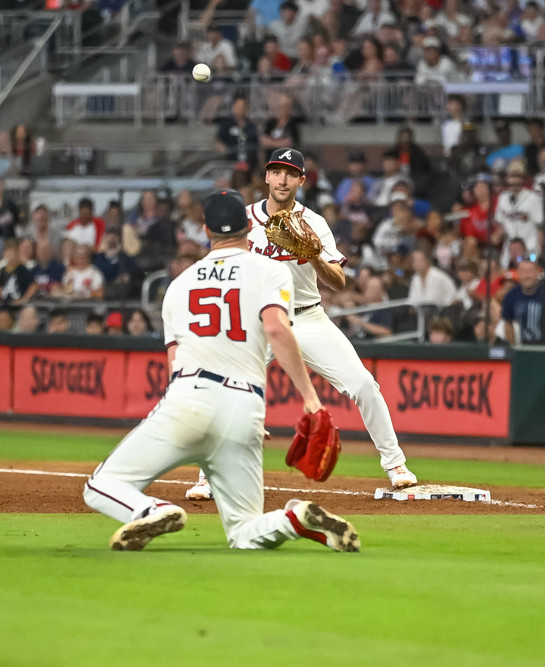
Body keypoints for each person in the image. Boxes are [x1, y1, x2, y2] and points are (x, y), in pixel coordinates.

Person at [83, 190, 360, 552]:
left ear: (205, 230)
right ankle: (291, 519)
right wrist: (310, 400)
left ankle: (152, 508)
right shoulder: (271, 269)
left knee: (100, 486)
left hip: (189, 399)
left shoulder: (179, 285)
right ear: (249, 227)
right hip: (245, 407)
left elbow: (174, 361)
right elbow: (277, 329)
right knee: (245, 531)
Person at [185, 149, 417, 501]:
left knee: (364, 385)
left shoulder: (314, 223)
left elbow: (339, 281)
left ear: (301, 181)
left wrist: (312, 255)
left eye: (290, 174)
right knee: (224, 392)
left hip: (307, 316)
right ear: (266, 176)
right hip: (257, 321)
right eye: (276, 171)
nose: (282, 179)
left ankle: (396, 464)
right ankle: (206, 476)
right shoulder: (243, 219)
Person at [501, 257, 545, 347]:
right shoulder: (511, 296)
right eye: (523, 272)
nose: (527, 276)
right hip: (525, 348)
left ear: (537, 273)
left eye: (530, 272)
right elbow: (508, 322)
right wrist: (512, 347)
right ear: (518, 274)